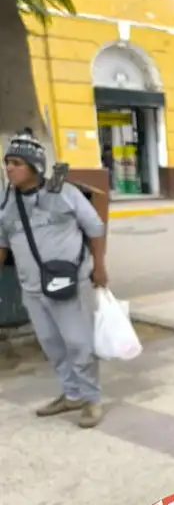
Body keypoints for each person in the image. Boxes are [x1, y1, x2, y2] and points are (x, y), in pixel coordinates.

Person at [0, 133, 108, 428]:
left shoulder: (65, 193)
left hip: (70, 283)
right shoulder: (6, 201)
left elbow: (95, 227)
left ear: (34, 166)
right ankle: (71, 394)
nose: (9, 168)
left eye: (16, 163)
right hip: (32, 288)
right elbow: (2, 241)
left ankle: (91, 399)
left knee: (78, 342)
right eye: (7, 162)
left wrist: (99, 266)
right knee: (51, 344)